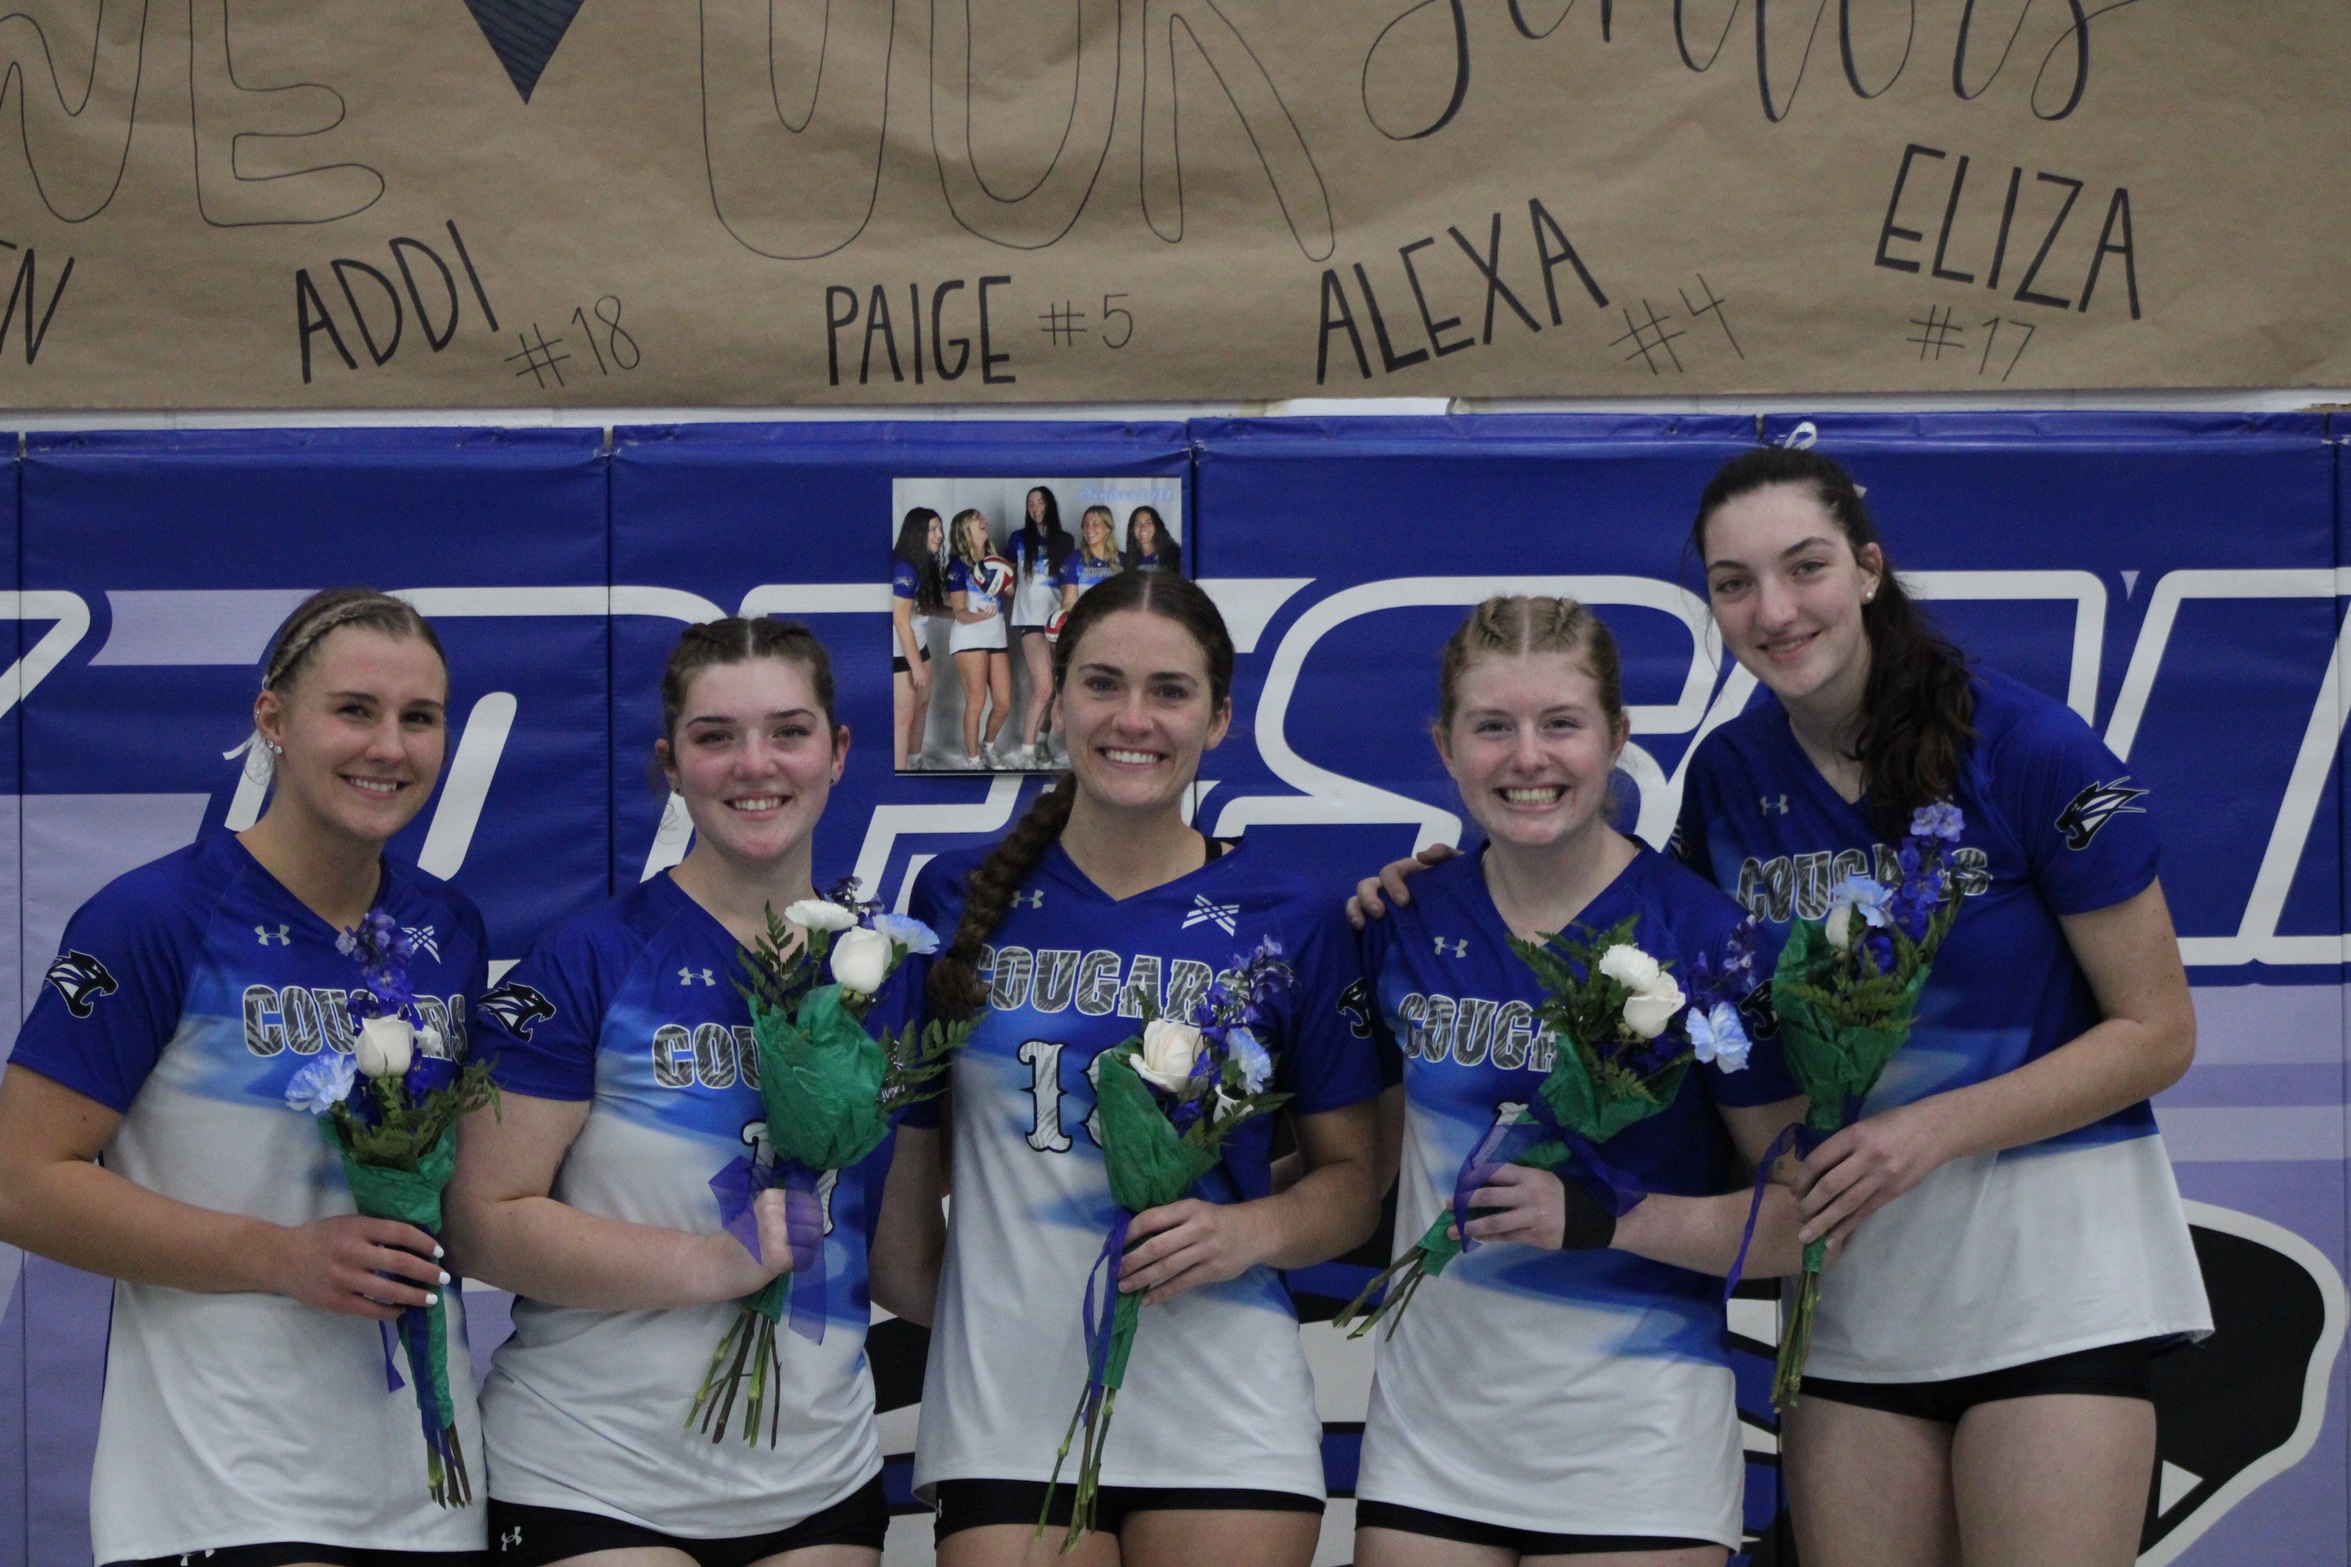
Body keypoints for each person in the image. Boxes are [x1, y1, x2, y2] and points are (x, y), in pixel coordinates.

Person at [1357, 449, 2211, 1567]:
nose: (1772, 609)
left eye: (1802, 567)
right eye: (1731, 582)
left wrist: (1924, 1130)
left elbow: (2157, 1033)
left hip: (2052, 1288)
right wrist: (1429, 886)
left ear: (1865, 568)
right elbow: (1628, 940)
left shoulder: (2024, 747)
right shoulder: (1725, 777)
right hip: (1849, 1306)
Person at [890, 569, 1387, 1567]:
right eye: (1102, 683)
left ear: (1218, 719)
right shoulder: (950, 897)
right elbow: (903, 1232)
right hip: (1008, 1417)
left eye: (1169, 691)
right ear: (1054, 698)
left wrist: (1246, 1227)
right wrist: (1007, 1312)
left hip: (1223, 1409)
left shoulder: (1288, 916)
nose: (1133, 718)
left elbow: (1352, 1182)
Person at [0, 588, 487, 1567]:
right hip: (224, 1488)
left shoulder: (447, 929)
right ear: (273, 718)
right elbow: (19, 1179)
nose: (388, 746)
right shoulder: (155, 918)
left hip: (433, 1489)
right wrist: (279, 1256)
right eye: (354, 709)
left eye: (418, 717)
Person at [446, 617, 941, 1567]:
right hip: (590, 1474)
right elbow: (481, 1219)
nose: (756, 764)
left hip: (818, 1482)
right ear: (671, 765)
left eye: (788, 731)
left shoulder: (885, 979)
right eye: (717, 737)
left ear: (837, 753)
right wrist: (708, 1263)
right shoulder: (594, 958)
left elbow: (902, 1264)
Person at [1351, 596, 1807, 1567]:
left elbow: (1805, 1218)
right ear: (1444, 746)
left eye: (1560, 722)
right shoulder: (1397, 921)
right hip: (1426, 1457)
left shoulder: (1709, 942)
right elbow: (1346, 1162)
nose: (1527, 758)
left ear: (1615, 738)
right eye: (1491, 726)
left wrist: (1610, 1218)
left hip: (1635, 1460)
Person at [1007, 486, 1074, 769]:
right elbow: (1009, 582)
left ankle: (1043, 742)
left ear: (1049, 505)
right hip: (1030, 620)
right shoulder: (1018, 538)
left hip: (1058, 620)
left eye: (1040, 502)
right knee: (1043, 687)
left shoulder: (1066, 540)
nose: (1034, 507)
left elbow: (1070, 583)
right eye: (1030, 502)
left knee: (1058, 686)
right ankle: (1026, 750)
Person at [945, 507, 1015, 770]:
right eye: (977, 519)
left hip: (996, 637)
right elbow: (960, 613)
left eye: (983, 518)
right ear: (965, 529)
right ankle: (973, 760)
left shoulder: (993, 559)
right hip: (969, 637)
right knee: (976, 701)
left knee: (1003, 702)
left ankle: (988, 747)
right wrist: (981, 617)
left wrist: (1008, 584)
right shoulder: (956, 566)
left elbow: (1009, 591)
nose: (984, 521)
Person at [892, 506, 948, 770]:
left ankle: (915, 762)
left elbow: (924, 608)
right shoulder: (903, 567)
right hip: (901, 654)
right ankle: (900, 773)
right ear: (917, 533)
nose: (939, 535)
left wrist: (960, 614)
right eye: (932, 530)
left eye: (940, 528)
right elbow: (901, 621)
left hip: (921, 647)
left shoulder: (922, 563)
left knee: (921, 708)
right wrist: (915, 666)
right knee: (902, 719)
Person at [1059, 505, 1125, 605]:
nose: (1089, 529)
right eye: (1085, 524)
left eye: (1095, 524)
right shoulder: (1073, 560)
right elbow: (1068, 603)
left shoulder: (1124, 560)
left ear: (1108, 528)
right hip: (1085, 619)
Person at [1121, 506, 1180, 574]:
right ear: (1132, 530)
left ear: (1157, 526)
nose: (1143, 528)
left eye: (1148, 523)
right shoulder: (1127, 561)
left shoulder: (1174, 556)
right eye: (1137, 524)